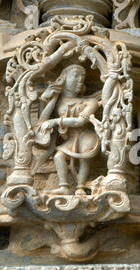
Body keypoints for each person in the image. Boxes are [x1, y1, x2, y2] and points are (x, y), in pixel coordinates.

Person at [36, 64, 100, 196]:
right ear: (64, 79)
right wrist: (47, 98)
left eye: (82, 77)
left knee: (84, 158)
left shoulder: (90, 102)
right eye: (75, 76)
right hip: (71, 138)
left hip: (86, 136)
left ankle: (80, 188)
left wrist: (56, 121)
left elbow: (80, 122)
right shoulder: (59, 102)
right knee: (59, 156)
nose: (80, 80)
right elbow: (42, 121)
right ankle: (64, 187)